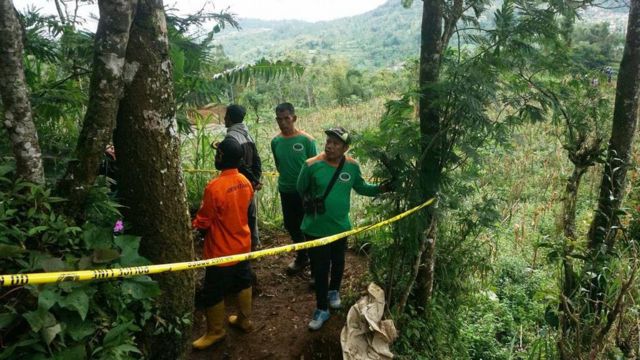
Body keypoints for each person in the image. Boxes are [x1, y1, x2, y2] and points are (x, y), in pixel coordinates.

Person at [297, 127, 390, 331]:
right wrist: (312, 202)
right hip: (316, 228)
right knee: (320, 269)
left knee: (338, 262)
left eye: (336, 143)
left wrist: (382, 189)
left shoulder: (352, 167)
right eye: (328, 141)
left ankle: (334, 292)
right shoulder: (311, 165)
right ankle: (322, 309)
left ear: (345, 148)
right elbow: (300, 188)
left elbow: (362, 187)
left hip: (340, 227)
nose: (330, 146)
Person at [191, 138, 255, 350]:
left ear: (222, 157)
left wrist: (194, 225)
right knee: (243, 282)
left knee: (213, 291)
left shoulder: (214, 187)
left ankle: (215, 331)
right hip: (242, 245)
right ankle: (244, 320)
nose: (215, 156)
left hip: (220, 250)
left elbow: (205, 219)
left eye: (217, 153)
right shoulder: (245, 182)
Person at [271, 103, 318, 274]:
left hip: (305, 193)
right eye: (279, 119)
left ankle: (315, 265)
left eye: (286, 118)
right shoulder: (275, 141)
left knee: (310, 227)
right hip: (286, 190)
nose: (283, 123)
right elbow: (279, 165)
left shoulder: (307, 140)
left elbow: (316, 167)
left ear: (294, 118)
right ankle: (302, 257)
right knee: (292, 225)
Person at [223, 104, 262, 250]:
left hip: (240, 182)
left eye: (226, 116)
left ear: (230, 118)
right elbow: (257, 159)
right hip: (250, 182)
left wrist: (253, 180)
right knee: (252, 215)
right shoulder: (247, 133)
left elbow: (239, 163)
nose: (224, 119)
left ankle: (244, 247)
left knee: (241, 216)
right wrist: (256, 179)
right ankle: (254, 244)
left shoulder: (231, 137)